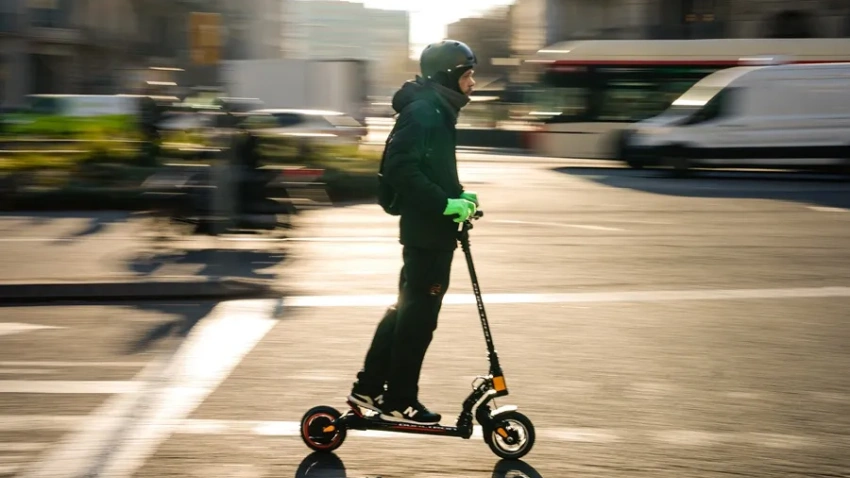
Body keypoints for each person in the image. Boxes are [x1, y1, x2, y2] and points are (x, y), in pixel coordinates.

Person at [348, 40, 480, 425]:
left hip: (431, 231)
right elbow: (401, 170)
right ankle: (399, 397)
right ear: (448, 76)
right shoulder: (424, 111)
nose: (473, 83)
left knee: (406, 312)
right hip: (426, 233)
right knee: (418, 319)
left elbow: (427, 168)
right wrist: (444, 203)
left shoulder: (436, 110)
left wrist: (458, 194)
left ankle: (368, 388)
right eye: (468, 75)